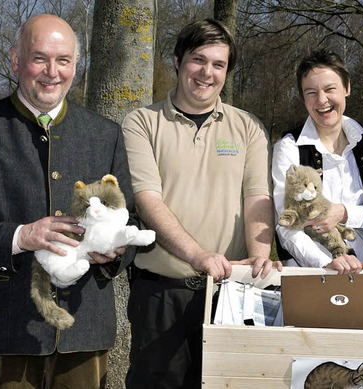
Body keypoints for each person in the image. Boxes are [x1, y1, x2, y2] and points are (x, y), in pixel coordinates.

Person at [0, 14, 137, 388]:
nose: (52, 72)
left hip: (84, 325)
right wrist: (20, 236)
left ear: (76, 64)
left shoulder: (105, 134)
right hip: (7, 324)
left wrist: (116, 251)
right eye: (39, 58)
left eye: (63, 60)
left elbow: (130, 219)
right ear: (15, 60)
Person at [121, 19, 280, 388]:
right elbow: (147, 200)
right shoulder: (141, 123)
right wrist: (198, 256)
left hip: (232, 294)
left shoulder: (249, 127)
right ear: (177, 61)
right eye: (198, 60)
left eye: (219, 64)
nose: (207, 73)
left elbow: (257, 197)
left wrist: (259, 255)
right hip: (161, 294)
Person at [272, 48, 363, 273]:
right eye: (311, 92)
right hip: (311, 273)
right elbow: (285, 227)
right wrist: (326, 264)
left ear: (347, 88)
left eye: (330, 89)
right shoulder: (289, 148)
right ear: (303, 98)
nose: (321, 100)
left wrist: (341, 212)